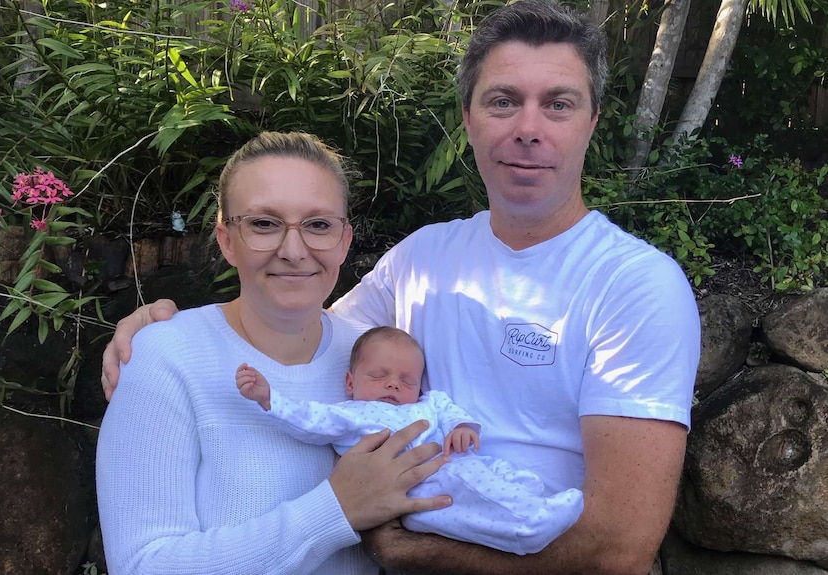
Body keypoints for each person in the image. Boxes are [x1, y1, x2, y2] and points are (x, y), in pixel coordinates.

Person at [102, 1, 701, 573]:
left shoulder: (634, 286)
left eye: (559, 104)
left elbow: (618, 548)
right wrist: (164, 331)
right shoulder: (423, 258)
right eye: (503, 101)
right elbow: (300, 327)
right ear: (467, 118)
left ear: (593, 121)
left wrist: (408, 551)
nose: (528, 128)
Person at [95, 131, 453, 575]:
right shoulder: (165, 357)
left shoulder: (377, 361)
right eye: (264, 224)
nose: (293, 249)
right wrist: (334, 510)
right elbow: (141, 565)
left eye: (318, 225)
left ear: (345, 241)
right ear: (226, 239)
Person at [236, 326, 585, 555]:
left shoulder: (427, 403)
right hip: (423, 486)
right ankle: (531, 524)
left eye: (406, 380)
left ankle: (536, 503)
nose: (392, 385)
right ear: (351, 382)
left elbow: (448, 408)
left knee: (502, 475)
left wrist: (463, 426)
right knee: (475, 486)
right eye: (378, 376)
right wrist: (270, 399)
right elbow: (309, 419)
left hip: (457, 466)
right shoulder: (352, 414)